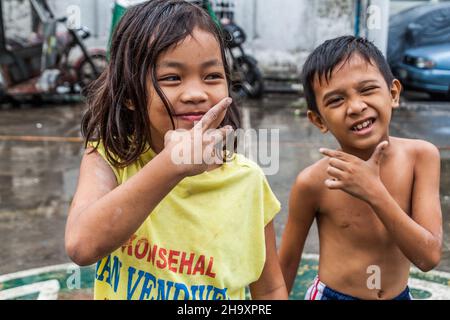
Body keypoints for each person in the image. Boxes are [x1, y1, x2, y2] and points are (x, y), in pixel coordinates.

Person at [65, 0, 287, 300]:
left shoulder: (248, 181)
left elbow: (270, 288)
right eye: (171, 78)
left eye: (211, 76)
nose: (196, 94)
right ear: (130, 94)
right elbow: (81, 246)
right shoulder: (109, 158)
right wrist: (172, 166)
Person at [279, 36, 442, 300]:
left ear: (393, 94)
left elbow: (429, 257)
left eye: (367, 90)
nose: (356, 107)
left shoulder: (421, 157)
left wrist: (374, 192)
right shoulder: (313, 182)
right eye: (336, 100)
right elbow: (285, 265)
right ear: (318, 120)